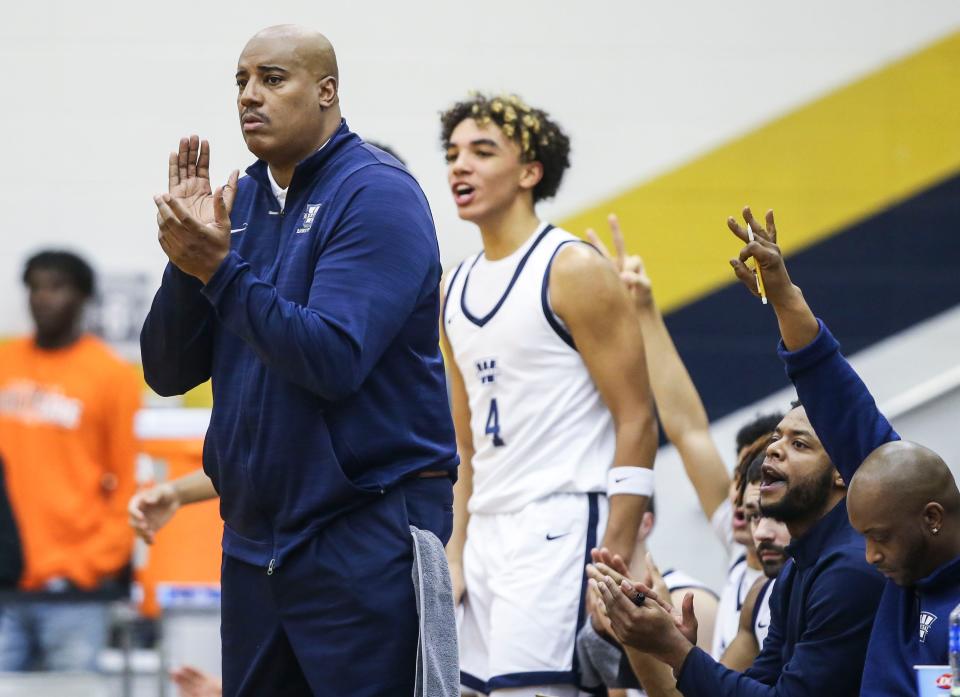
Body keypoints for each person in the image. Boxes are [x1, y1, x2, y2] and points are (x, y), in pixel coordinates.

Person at [140, 25, 458, 697]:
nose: (250, 96)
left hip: (364, 534)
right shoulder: (244, 202)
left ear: (326, 91)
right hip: (255, 542)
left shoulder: (377, 195)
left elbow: (332, 357)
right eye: (241, 81)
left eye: (272, 79)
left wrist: (220, 270)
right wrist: (185, 266)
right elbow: (167, 371)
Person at [592, 207, 887, 697]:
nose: (771, 456)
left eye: (797, 444)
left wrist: (675, 651)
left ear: (842, 471)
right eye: (774, 443)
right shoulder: (794, 568)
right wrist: (654, 642)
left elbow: (830, 387)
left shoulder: (851, 565)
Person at [439, 93, 658, 697]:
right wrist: (455, 553)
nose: (461, 165)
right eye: (453, 153)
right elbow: (462, 443)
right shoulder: (450, 288)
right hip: (487, 528)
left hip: (562, 520)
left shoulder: (572, 268)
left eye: (483, 152)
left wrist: (609, 559)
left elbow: (638, 418)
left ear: (530, 172)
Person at [726, 212, 960, 695]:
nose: (871, 555)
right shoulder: (897, 499)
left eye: (879, 538)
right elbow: (835, 393)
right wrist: (784, 294)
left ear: (933, 519)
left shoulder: (866, 570)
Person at [586, 217, 777, 659]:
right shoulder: (739, 543)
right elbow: (688, 429)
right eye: (744, 474)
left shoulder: (808, 574)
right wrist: (642, 312)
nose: (747, 495)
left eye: (766, 476)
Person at [0, 250, 140, 671]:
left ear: (83, 298)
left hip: (74, 589)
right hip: (5, 586)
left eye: (57, 287)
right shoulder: (4, 362)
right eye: (35, 287)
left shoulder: (111, 376)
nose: (43, 298)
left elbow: (130, 481)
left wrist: (91, 565)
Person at [720, 454, 791, 672]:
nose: (760, 533)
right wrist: (673, 647)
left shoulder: (844, 575)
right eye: (754, 516)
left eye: (776, 513)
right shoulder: (759, 595)